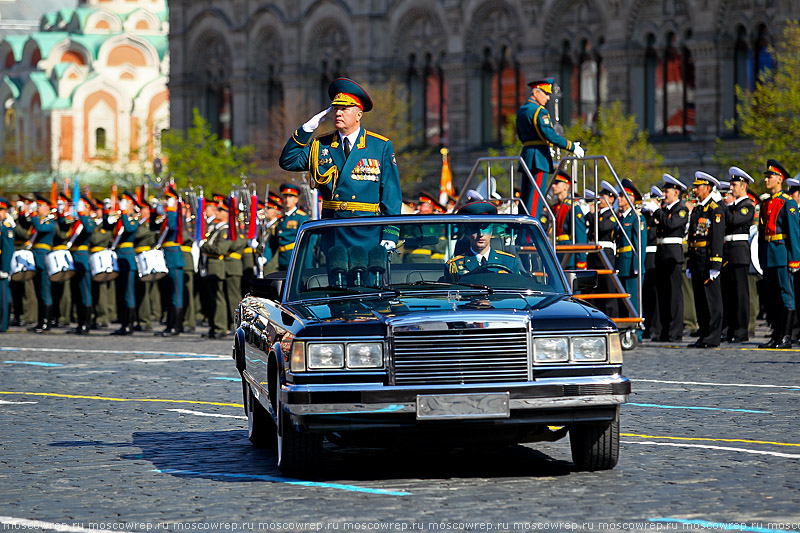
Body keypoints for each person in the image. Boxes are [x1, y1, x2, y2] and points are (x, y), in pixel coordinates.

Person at [279, 77, 401, 250]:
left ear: (359, 114)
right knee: (336, 277)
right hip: (334, 231)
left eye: (344, 109)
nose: (338, 113)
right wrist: (306, 129)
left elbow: (391, 193)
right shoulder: (321, 145)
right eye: (336, 108)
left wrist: (391, 232)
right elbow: (288, 161)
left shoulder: (379, 146)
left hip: (367, 231)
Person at [516, 77, 584, 219]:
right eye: (546, 94)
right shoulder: (539, 111)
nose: (547, 98)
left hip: (527, 155)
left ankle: (523, 230)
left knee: (525, 195)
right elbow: (550, 135)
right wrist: (571, 146)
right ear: (536, 92)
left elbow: (521, 135)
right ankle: (530, 234)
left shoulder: (522, 110)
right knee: (535, 198)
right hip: (538, 157)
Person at [758, 159, 800, 349]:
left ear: (779, 179)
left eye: (770, 177)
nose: (766, 180)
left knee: (786, 296)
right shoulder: (766, 203)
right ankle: (776, 335)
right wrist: (761, 256)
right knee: (772, 297)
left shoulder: (788, 203)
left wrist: (794, 259)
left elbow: (794, 234)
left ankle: (786, 337)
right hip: (769, 253)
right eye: (766, 177)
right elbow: (761, 233)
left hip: (782, 253)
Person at [686, 172, 725, 348]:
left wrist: (715, 263)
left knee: (712, 299)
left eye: (698, 187)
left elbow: (717, 238)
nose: (695, 190)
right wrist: (689, 262)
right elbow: (691, 237)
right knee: (700, 299)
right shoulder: (697, 208)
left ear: (707, 188)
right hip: (696, 258)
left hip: (708, 259)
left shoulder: (714, 209)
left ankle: (714, 335)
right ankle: (704, 333)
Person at [651, 174, 688, 342]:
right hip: (661, 253)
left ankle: (675, 331)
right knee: (663, 295)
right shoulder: (665, 211)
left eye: (667, 192)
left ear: (676, 193)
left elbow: (671, 225)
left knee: (674, 295)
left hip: (673, 254)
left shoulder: (680, 209)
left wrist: (657, 211)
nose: (664, 194)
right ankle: (665, 330)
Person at [722, 167, 755, 343]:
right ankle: (732, 328)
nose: (731, 188)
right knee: (730, 294)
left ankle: (742, 330)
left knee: (741, 294)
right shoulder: (733, 206)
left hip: (740, 251)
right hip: (729, 251)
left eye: (734, 184)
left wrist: (725, 208)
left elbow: (734, 221)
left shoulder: (746, 206)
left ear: (743, 186)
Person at [445, 201, 517, 280]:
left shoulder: (509, 262)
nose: (481, 234)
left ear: (491, 231)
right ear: (467, 233)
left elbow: (519, 288)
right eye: (475, 229)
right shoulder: (454, 266)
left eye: (485, 228)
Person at [617, 179, 647, 320]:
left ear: (631, 198)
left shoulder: (636, 217)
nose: (619, 198)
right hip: (623, 264)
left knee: (633, 300)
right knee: (623, 300)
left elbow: (640, 243)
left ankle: (635, 331)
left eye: (622, 196)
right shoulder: (622, 217)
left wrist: (637, 265)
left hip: (631, 265)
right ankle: (625, 329)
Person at [157, 185, 185, 336]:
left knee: (176, 295)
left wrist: (172, 209)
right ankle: (169, 325)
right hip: (166, 257)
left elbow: (173, 228)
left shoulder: (175, 215)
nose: (165, 202)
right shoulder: (168, 216)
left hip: (174, 257)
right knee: (168, 294)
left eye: (168, 199)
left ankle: (176, 326)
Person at [111, 191, 139, 336]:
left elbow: (129, 229)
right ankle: (122, 323)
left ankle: (129, 324)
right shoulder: (121, 218)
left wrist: (125, 212)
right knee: (120, 294)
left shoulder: (132, 219)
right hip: (119, 258)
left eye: (126, 202)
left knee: (128, 294)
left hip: (128, 258)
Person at [68, 195, 97, 335]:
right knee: (77, 293)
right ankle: (80, 323)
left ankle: (86, 323)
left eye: (82, 206)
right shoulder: (76, 222)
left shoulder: (89, 221)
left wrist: (82, 214)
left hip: (83, 258)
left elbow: (89, 230)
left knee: (85, 292)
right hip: (73, 259)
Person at [548, 170, 587, 269]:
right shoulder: (554, 207)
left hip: (568, 254)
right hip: (556, 251)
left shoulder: (572, 207)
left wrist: (581, 261)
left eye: (557, 183)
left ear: (566, 186)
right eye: (553, 183)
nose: (553, 186)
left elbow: (580, 236)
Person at [268, 183, 309, 271]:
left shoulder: (301, 217)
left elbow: (306, 242)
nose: (287, 199)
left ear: (296, 199)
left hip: (295, 259)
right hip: (282, 260)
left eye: (290, 197)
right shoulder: (281, 220)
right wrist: (265, 258)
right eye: (285, 197)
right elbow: (273, 242)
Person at [0, 197, 14, 332]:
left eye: (1, 210)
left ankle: (2, 324)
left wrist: (4, 268)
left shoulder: (6, 228)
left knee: (2, 297)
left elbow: (8, 249)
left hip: (1, 267)